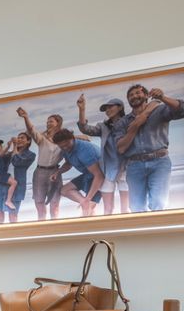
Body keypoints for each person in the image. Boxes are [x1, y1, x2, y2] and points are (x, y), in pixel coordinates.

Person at [116, 83, 184, 214]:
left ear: (146, 95)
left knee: (159, 203)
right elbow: (121, 148)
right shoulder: (123, 122)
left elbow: (181, 109)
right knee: (136, 207)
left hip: (159, 161)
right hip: (134, 165)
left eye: (137, 93)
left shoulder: (160, 110)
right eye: (130, 95)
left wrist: (163, 97)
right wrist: (137, 123)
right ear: (128, 100)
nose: (134, 96)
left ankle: (159, 233)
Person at [76, 93, 130, 215]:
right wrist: (82, 109)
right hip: (108, 170)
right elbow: (85, 129)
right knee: (108, 209)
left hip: (126, 169)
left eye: (111, 107)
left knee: (125, 209)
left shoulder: (129, 122)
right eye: (106, 109)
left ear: (120, 107)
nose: (108, 110)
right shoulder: (103, 126)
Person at [17, 106, 68, 220]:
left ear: (58, 123)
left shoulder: (64, 139)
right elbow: (31, 130)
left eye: (51, 121)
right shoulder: (42, 138)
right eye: (47, 122)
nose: (48, 123)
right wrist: (26, 117)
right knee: (40, 204)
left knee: (54, 205)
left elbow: (72, 142)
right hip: (40, 173)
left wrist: (80, 136)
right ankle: (42, 228)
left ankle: (54, 230)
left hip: (55, 172)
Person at [52, 127, 101, 216]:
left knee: (88, 209)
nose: (65, 147)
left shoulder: (85, 150)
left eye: (67, 144)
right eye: (61, 146)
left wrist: (88, 198)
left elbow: (99, 175)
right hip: (87, 174)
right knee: (64, 190)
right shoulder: (65, 149)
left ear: (73, 138)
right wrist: (58, 172)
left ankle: (88, 209)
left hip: (101, 175)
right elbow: (68, 163)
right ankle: (84, 202)